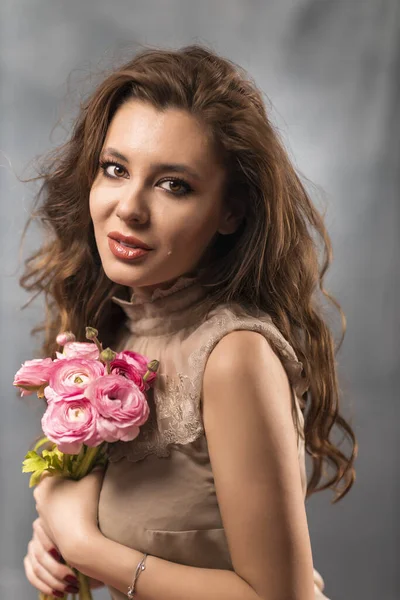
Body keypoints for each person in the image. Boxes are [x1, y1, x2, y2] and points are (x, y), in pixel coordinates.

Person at [20, 44, 357, 600]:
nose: (129, 207)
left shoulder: (233, 355)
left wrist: (84, 543)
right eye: (115, 169)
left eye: (173, 184)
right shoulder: (118, 332)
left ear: (231, 212)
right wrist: (53, 537)